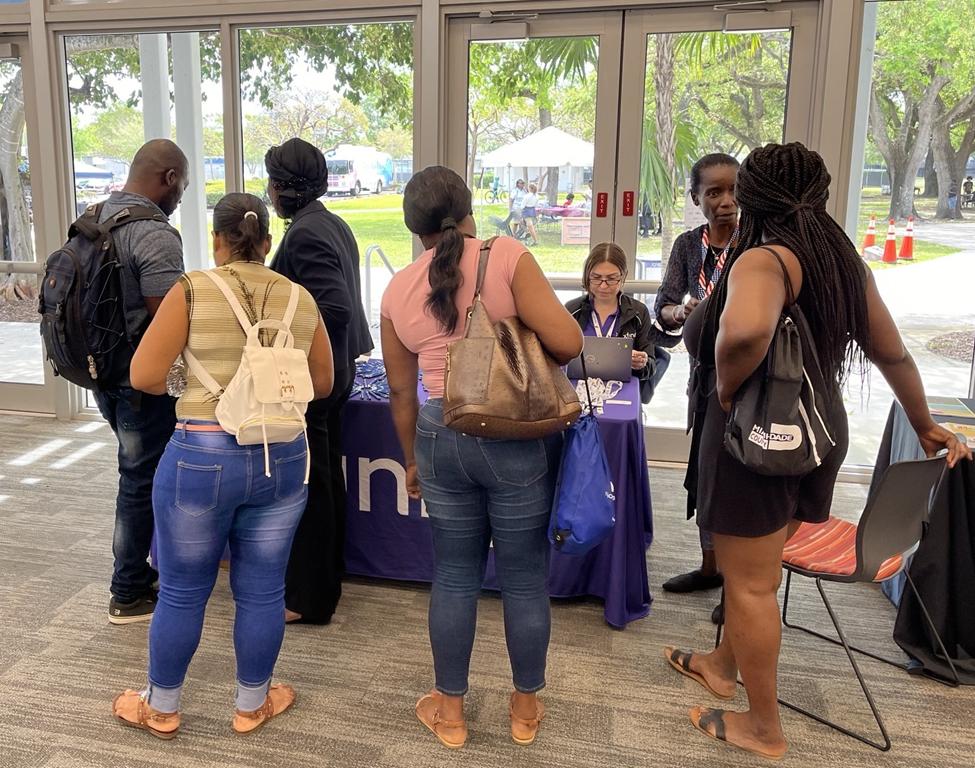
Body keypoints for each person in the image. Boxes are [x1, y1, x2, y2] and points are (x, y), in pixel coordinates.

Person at [663, 142, 971, 761]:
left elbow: (747, 330)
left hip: (757, 443)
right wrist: (924, 421)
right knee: (759, 568)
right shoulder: (839, 260)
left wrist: (725, 384)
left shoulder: (761, 260)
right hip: (813, 436)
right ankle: (723, 664)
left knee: (750, 583)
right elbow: (892, 352)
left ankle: (763, 726)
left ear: (751, 198)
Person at [112, 193, 335, 739]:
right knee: (263, 591)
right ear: (267, 243)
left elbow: (144, 375)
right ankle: (251, 705)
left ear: (217, 240)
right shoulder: (299, 298)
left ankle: (161, 708)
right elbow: (324, 384)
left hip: (202, 455)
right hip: (282, 456)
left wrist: (196, 376)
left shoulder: (192, 289)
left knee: (185, 590)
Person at [381, 166, 582, 749]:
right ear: (469, 211)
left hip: (440, 437)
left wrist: (412, 461)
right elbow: (568, 344)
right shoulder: (508, 255)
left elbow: (399, 391)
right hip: (515, 436)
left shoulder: (397, 289)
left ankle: (449, 714)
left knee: (451, 575)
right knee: (523, 579)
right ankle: (523, 712)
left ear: (412, 226)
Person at [265, 138, 374, 626]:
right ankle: (324, 582)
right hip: (335, 368)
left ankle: (308, 597)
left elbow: (335, 305)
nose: (267, 191)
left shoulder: (306, 233)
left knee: (310, 485)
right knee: (325, 477)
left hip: (315, 377)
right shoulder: (329, 221)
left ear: (284, 188)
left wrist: (283, 334)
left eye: (271, 181)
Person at [94, 139, 189, 625]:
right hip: (142, 382)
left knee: (136, 473)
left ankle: (138, 576)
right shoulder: (153, 233)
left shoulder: (93, 219)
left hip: (101, 373)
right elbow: (170, 318)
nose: (180, 199)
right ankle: (128, 590)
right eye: (183, 187)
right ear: (168, 178)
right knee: (139, 480)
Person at [654, 153, 740, 617]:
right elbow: (663, 307)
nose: (726, 202)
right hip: (702, 376)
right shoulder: (689, 247)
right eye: (714, 193)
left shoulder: (757, 243)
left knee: (738, 479)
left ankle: (738, 585)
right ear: (697, 199)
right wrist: (679, 313)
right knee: (704, 476)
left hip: (746, 381)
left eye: (733, 191)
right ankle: (711, 569)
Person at [564, 242, 669, 404]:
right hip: (578, 394)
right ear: (587, 276)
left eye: (612, 279)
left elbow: (651, 367)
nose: (603, 286)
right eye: (596, 278)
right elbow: (556, 359)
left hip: (622, 393)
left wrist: (641, 363)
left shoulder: (638, 312)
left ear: (623, 277)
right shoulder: (572, 310)